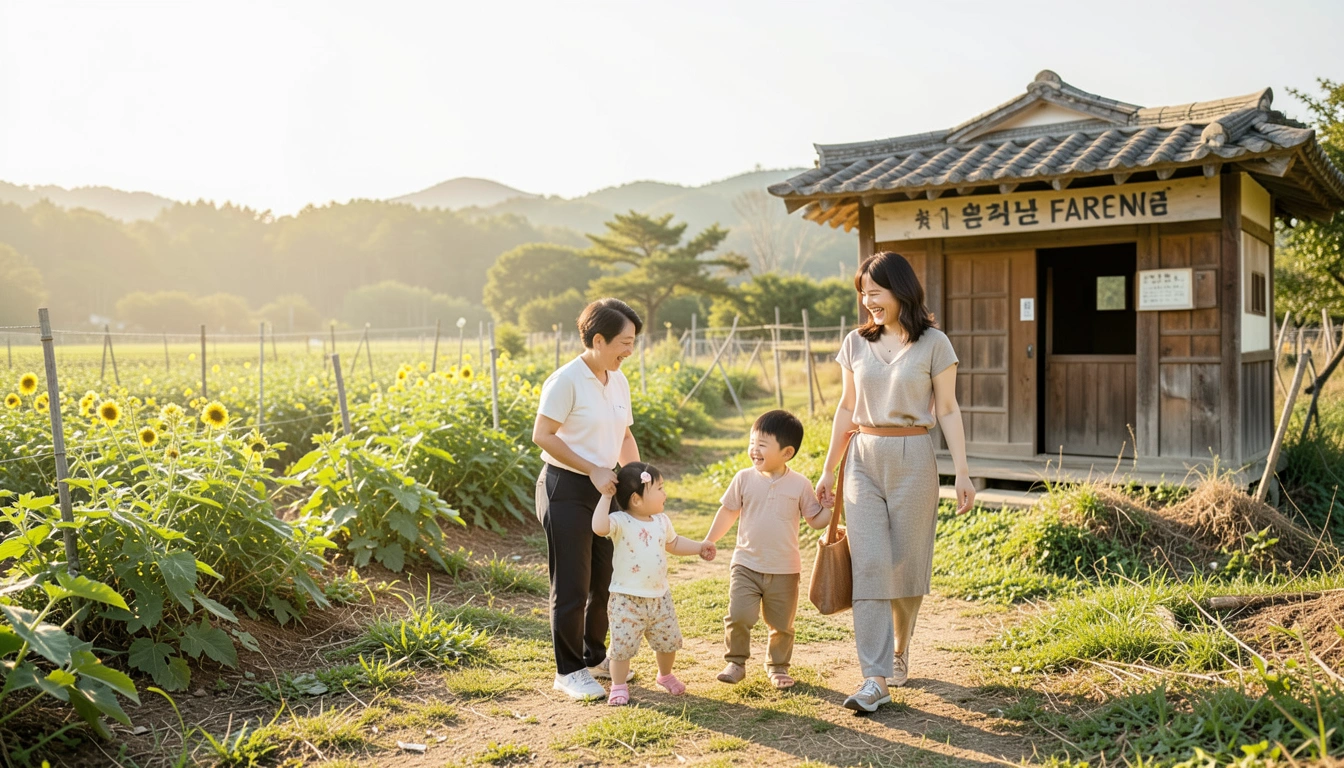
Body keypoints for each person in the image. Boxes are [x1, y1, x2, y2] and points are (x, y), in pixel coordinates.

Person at [814, 251, 975, 713]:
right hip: (863, 457)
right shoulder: (855, 342)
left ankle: (901, 649)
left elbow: (947, 409)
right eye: (863, 293)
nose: (868, 302)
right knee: (869, 564)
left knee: (905, 567)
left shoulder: (935, 344)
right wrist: (829, 467)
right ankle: (875, 677)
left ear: (900, 291)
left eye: (875, 292)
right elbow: (846, 408)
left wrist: (962, 470)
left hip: (914, 457)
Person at [532, 298, 643, 701]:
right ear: (598, 339)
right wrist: (592, 468)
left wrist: (638, 482)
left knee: (607, 580)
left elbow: (625, 436)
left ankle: (594, 657)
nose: (630, 351)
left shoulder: (618, 379)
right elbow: (542, 435)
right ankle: (569, 670)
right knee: (573, 584)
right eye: (625, 343)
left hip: (606, 491)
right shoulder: (566, 380)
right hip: (566, 489)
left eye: (633, 342)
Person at [702, 409, 830, 689]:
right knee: (739, 615)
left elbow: (815, 520)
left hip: (785, 569)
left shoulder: (799, 485)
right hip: (746, 563)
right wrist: (710, 539)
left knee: (781, 625)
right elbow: (728, 512)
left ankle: (778, 667)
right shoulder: (744, 478)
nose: (753, 450)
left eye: (762, 445)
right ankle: (736, 662)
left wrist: (831, 509)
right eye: (751, 442)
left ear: (786, 453)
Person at [592, 462, 710, 706]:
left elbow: (674, 544)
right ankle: (619, 684)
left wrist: (699, 547)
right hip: (626, 599)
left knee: (668, 642)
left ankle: (665, 675)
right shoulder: (619, 521)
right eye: (660, 488)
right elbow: (598, 527)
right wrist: (605, 497)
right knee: (621, 648)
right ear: (636, 499)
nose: (665, 494)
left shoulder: (661, 521)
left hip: (659, 597)